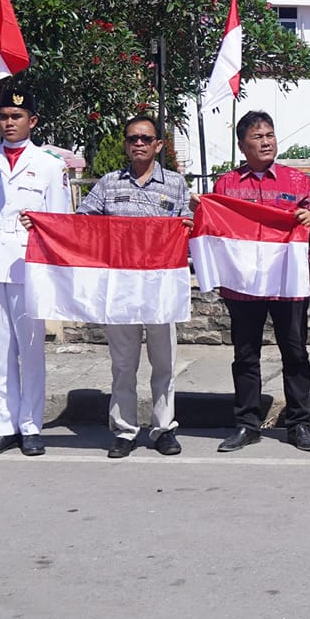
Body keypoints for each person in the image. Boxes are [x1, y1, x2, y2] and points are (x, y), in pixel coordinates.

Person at [74, 115, 191, 459]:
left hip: (160, 285)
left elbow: (189, 226)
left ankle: (164, 427)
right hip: (121, 285)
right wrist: (44, 225)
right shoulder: (109, 183)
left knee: (164, 361)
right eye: (132, 138)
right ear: (126, 144)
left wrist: (188, 225)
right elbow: (82, 222)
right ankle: (124, 430)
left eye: (145, 138)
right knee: (123, 364)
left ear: (158, 145)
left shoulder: (176, 184)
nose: (138, 143)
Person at [0, 86, 69, 458]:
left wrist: (39, 224)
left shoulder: (50, 164)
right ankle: (4, 425)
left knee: (30, 349)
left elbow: (62, 221)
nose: (9, 122)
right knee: (0, 347)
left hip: (30, 263)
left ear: (32, 121)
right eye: (4, 117)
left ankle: (31, 426)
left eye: (16, 117)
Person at [212, 111, 310, 453]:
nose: (266, 142)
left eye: (270, 135)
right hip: (244, 285)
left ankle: (299, 424)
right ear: (242, 144)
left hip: (287, 283)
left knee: (295, 352)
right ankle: (247, 424)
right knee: (245, 354)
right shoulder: (226, 185)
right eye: (258, 137)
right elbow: (216, 228)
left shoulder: (297, 182)